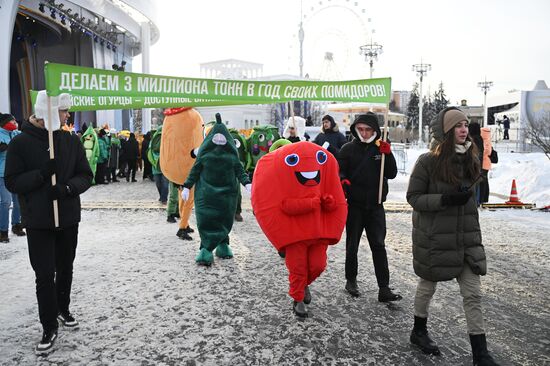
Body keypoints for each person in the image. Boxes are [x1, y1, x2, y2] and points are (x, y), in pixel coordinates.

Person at [406, 107, 500, 365]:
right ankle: (419, 331)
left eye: (466, 125)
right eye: (458, 125)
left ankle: (480, 353)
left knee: (473, 294)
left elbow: (477, 184)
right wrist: (445, 199)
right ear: (446, 131)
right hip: (437, 239)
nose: (463, 129)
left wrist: (486, 166)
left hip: (467, 238)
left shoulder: (471, 157)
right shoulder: (428, 161)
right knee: (427, 287)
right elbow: (413, 198)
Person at [5, 91, 93, 352]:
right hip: (38, 221)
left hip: (66, 218)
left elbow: (85, 176)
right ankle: (48, 325)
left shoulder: (70, 141)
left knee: (65, 267)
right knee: (44, 274)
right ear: (48, 113)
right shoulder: (20, 143)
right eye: (64, 111)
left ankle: (62, 308)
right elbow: (12, 181)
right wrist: (41, 175)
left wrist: (66, 189)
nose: (68, 115)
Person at [337, 113, 402, 302]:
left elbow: (391, 174)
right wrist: (342, 179)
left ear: (375, 131)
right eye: (361, 129)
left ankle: (384, 288)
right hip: (355, 206)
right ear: (356, 129)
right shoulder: (348, 149)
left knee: (379, 246)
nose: (364, 133)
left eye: (368, 130)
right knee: (352, 245)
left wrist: (387, 154)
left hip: (376, 206)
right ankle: (351, 280)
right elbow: (340, 169)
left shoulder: (380, 149)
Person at [0, 113, 26, 242]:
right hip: (2, 173)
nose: (15, 123)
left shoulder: (17, 133)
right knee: (5, 202)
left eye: (15, 120)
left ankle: (17, 225)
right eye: (12, 121)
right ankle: (2, 230)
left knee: (18, 201)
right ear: (4, 122)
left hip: (17, 172)